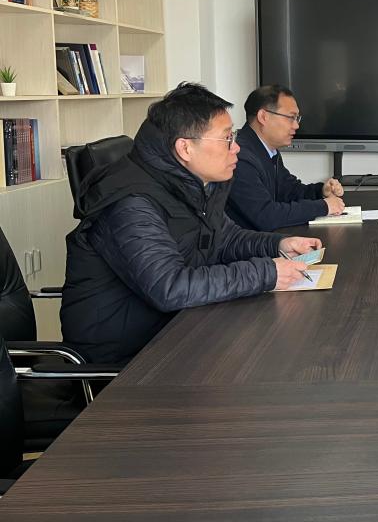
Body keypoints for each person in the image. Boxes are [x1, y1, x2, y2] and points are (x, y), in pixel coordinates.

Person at [61, 83, 319, 365]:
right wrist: (267, 273)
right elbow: (170, 288)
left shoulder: (192, 183)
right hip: (128, 362)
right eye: (227, 138)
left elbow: (225, 237)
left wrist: (278, 245)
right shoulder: (131, 204)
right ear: (185, 148)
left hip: (179, 330)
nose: (236, 148)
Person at [227, 84, 345, 231]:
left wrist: (321, 191)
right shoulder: (239, 157)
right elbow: (266, 215)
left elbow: (289, 191)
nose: (296, 126)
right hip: (248, 244)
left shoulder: (268, 150)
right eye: (290, 117)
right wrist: (323, 207)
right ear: (263, 117)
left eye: (297, 118)